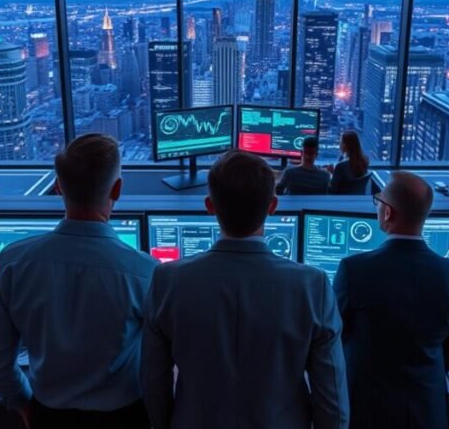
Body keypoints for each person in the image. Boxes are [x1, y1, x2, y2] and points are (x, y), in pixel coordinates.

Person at [142, 150, 349, 429]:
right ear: (273, 206)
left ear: (210, 206)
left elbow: (154, 382)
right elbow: (333, 400)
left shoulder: (167, 281)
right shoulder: (313, 286)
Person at [0, 133, 158, 429]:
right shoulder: (145, 272)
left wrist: (26, 406)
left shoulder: (12, 263)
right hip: (125, 419)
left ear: (59, 186)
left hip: (49, 418)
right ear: (117, 189)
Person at [334, 171, 449, 429]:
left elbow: (335, 334)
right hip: (427, 410)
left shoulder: (354, 270)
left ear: (388, 212)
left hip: (367, 408)